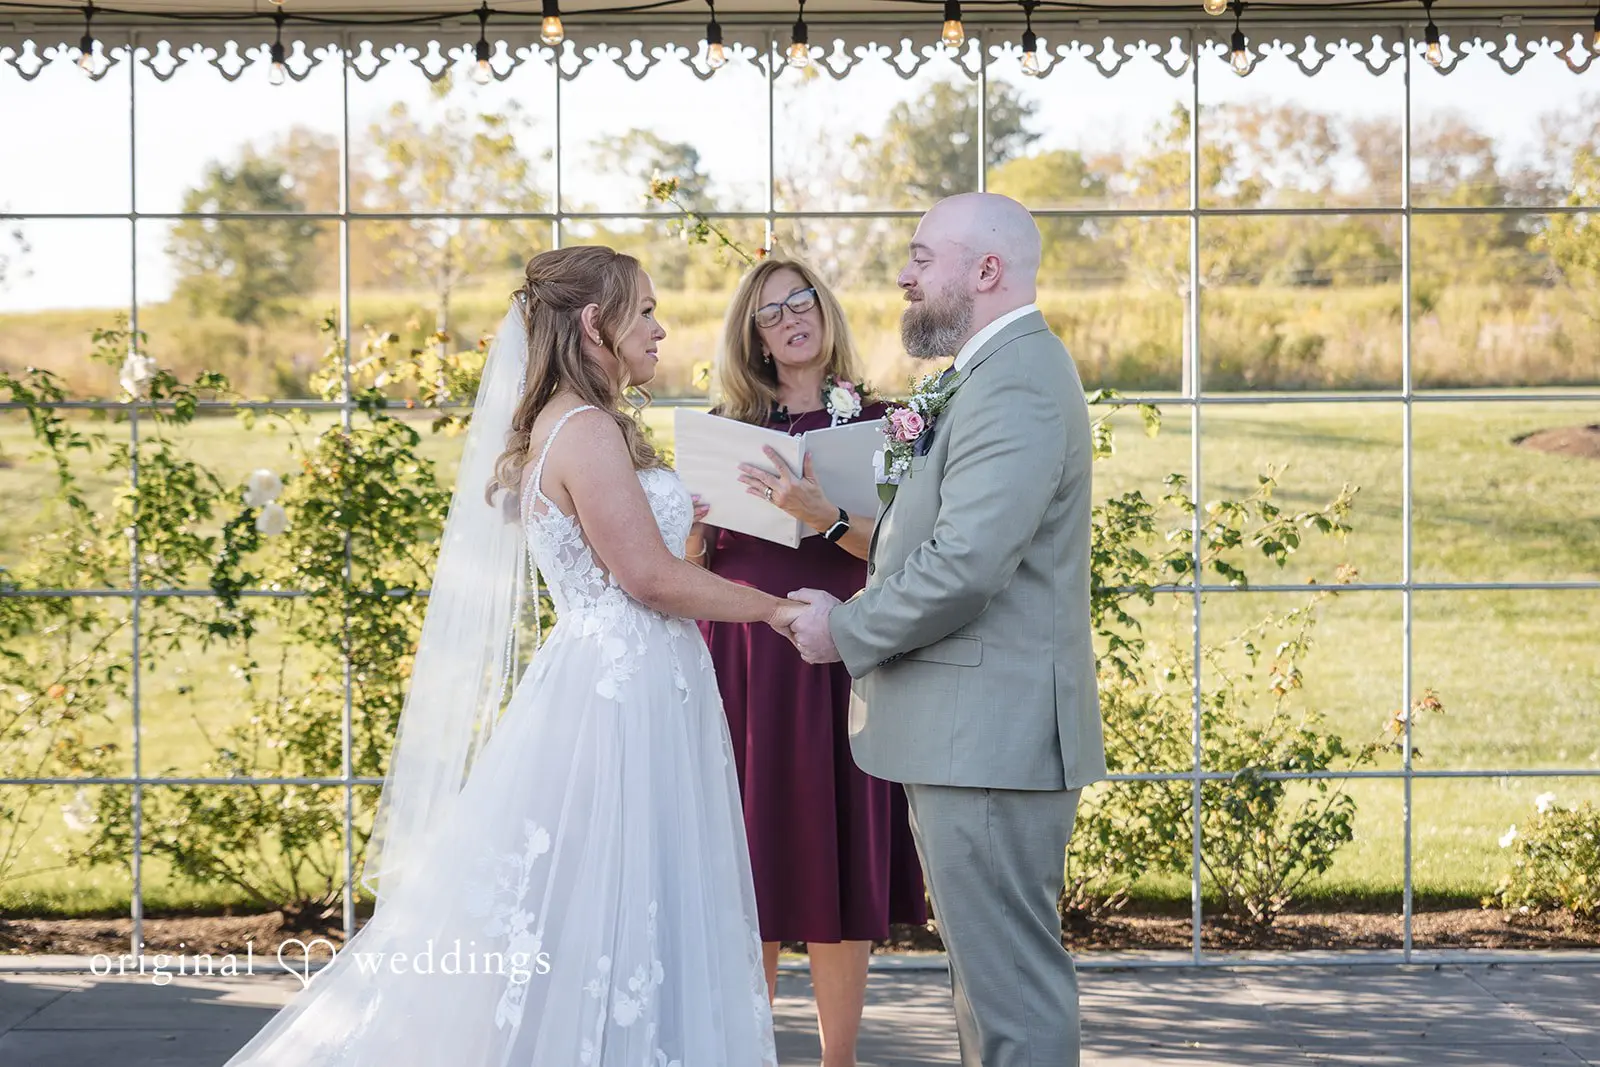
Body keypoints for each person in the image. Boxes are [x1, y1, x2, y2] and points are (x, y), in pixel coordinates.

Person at [221, 246, 804, 1066]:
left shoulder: (570, 423)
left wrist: (686, 527)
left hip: (626, 674)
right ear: (594, 322)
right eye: (644, 311)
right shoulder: (587, 429)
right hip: (622, 689)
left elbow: (637, 563)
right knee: (609, 891)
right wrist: (778, 609)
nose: (659, 327)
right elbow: (646, 579)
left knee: (609, 893)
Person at [785, 193, 1108, 1067]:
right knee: (987, 985)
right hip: (970, 737)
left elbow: (966, 563)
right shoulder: (989, 372)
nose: (904, 275)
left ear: (987, 271)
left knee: (1011, 996)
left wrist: (846, 628)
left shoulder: (1018, 383)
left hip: (991, 740)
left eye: (923, 258)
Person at [687, 258, 927, 1067]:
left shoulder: (887, 424)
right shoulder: (724, 433)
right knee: (747, 860)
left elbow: (910, 554)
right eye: (771, 312)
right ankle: (746, 1053)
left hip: (842, 653)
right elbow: (693, 565)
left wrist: (824, 515)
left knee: (838, 855)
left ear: (825, 311)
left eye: (803, 301)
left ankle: (838, 1058)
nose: (792, 318)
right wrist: (690, 528)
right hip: (746, 666)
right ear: (754, 337)